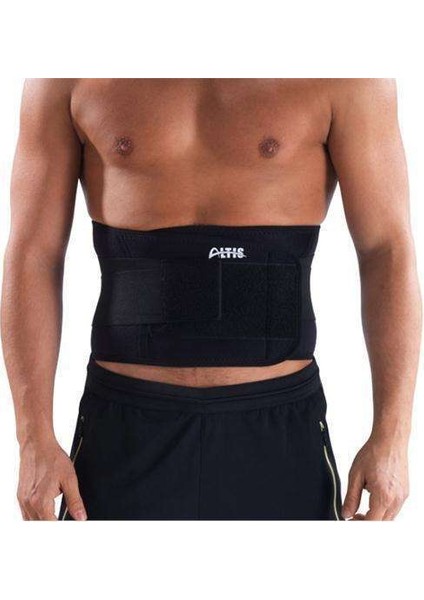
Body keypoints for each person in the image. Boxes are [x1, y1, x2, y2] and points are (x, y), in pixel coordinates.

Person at [1, 78, 420, 520]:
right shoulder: (69, 73)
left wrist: (392, 437)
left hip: (277, 428)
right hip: (124, 426)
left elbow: (386, 249)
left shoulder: (345, 74)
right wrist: (33, 439)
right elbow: (33, 254)